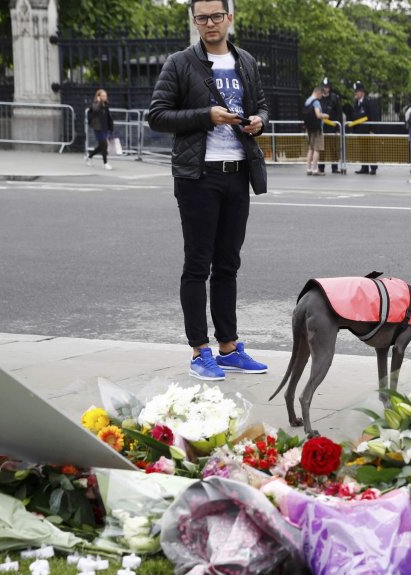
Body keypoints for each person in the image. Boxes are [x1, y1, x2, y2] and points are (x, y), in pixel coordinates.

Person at [147, 0, 271, 381]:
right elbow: (158, 116)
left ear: (229, 18)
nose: (210, 23)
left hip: (238, 174)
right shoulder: (180, 62)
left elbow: (263, 106)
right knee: (198, 264)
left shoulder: (245, 61)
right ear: (194, 21)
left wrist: (258, 122)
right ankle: (200, 350)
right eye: (201, 17)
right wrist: (207, 115)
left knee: (228, 263)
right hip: (198, 176)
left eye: (217, 16)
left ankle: (229, 347)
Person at [348, 81, 380, 175]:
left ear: (362, 92)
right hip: (360, 130)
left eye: (357, 91)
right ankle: (364, 167)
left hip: (367, 130)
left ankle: (373, 167)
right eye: (355, 91)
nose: (355, 93)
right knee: (362, 149)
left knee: (370, 149)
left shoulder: (369, 101)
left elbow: (373, 116)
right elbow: (354, 116)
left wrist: (372, 130)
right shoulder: (356, 102)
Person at [85, 89, 115, 170]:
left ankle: (89, 156)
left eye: (106, 95)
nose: (105, 97)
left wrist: (111, 127)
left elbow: (108, 117)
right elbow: (96, 110)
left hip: (105, 128)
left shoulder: (106, 104)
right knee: (104, 145)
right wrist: (98, 102)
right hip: (98, 128)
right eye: (103, 96)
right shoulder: (96, 104)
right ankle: (105, 163)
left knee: (101, 146)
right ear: (99, 96)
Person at [318, 77, 341, 174]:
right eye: (324, 86)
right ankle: (321, 167)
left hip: (331, 126)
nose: (325, 88)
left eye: (327, 87)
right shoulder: (319, 98)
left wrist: (337, 128)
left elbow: (338, 113)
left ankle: (334, 167)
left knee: (333, 148)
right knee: (321, 148)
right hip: (321, 127)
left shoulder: (334, 98)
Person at [303, 86, 325, 176]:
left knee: (310, 149)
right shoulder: (316, 102)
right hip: (317, 129)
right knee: (317, 149)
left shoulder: (307, 101)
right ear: (318, 93)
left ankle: (308, 168)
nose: (321, 97)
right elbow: (318, 115)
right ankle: (315, 169)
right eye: (321, 95)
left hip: (309, 128)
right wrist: (325, 115)